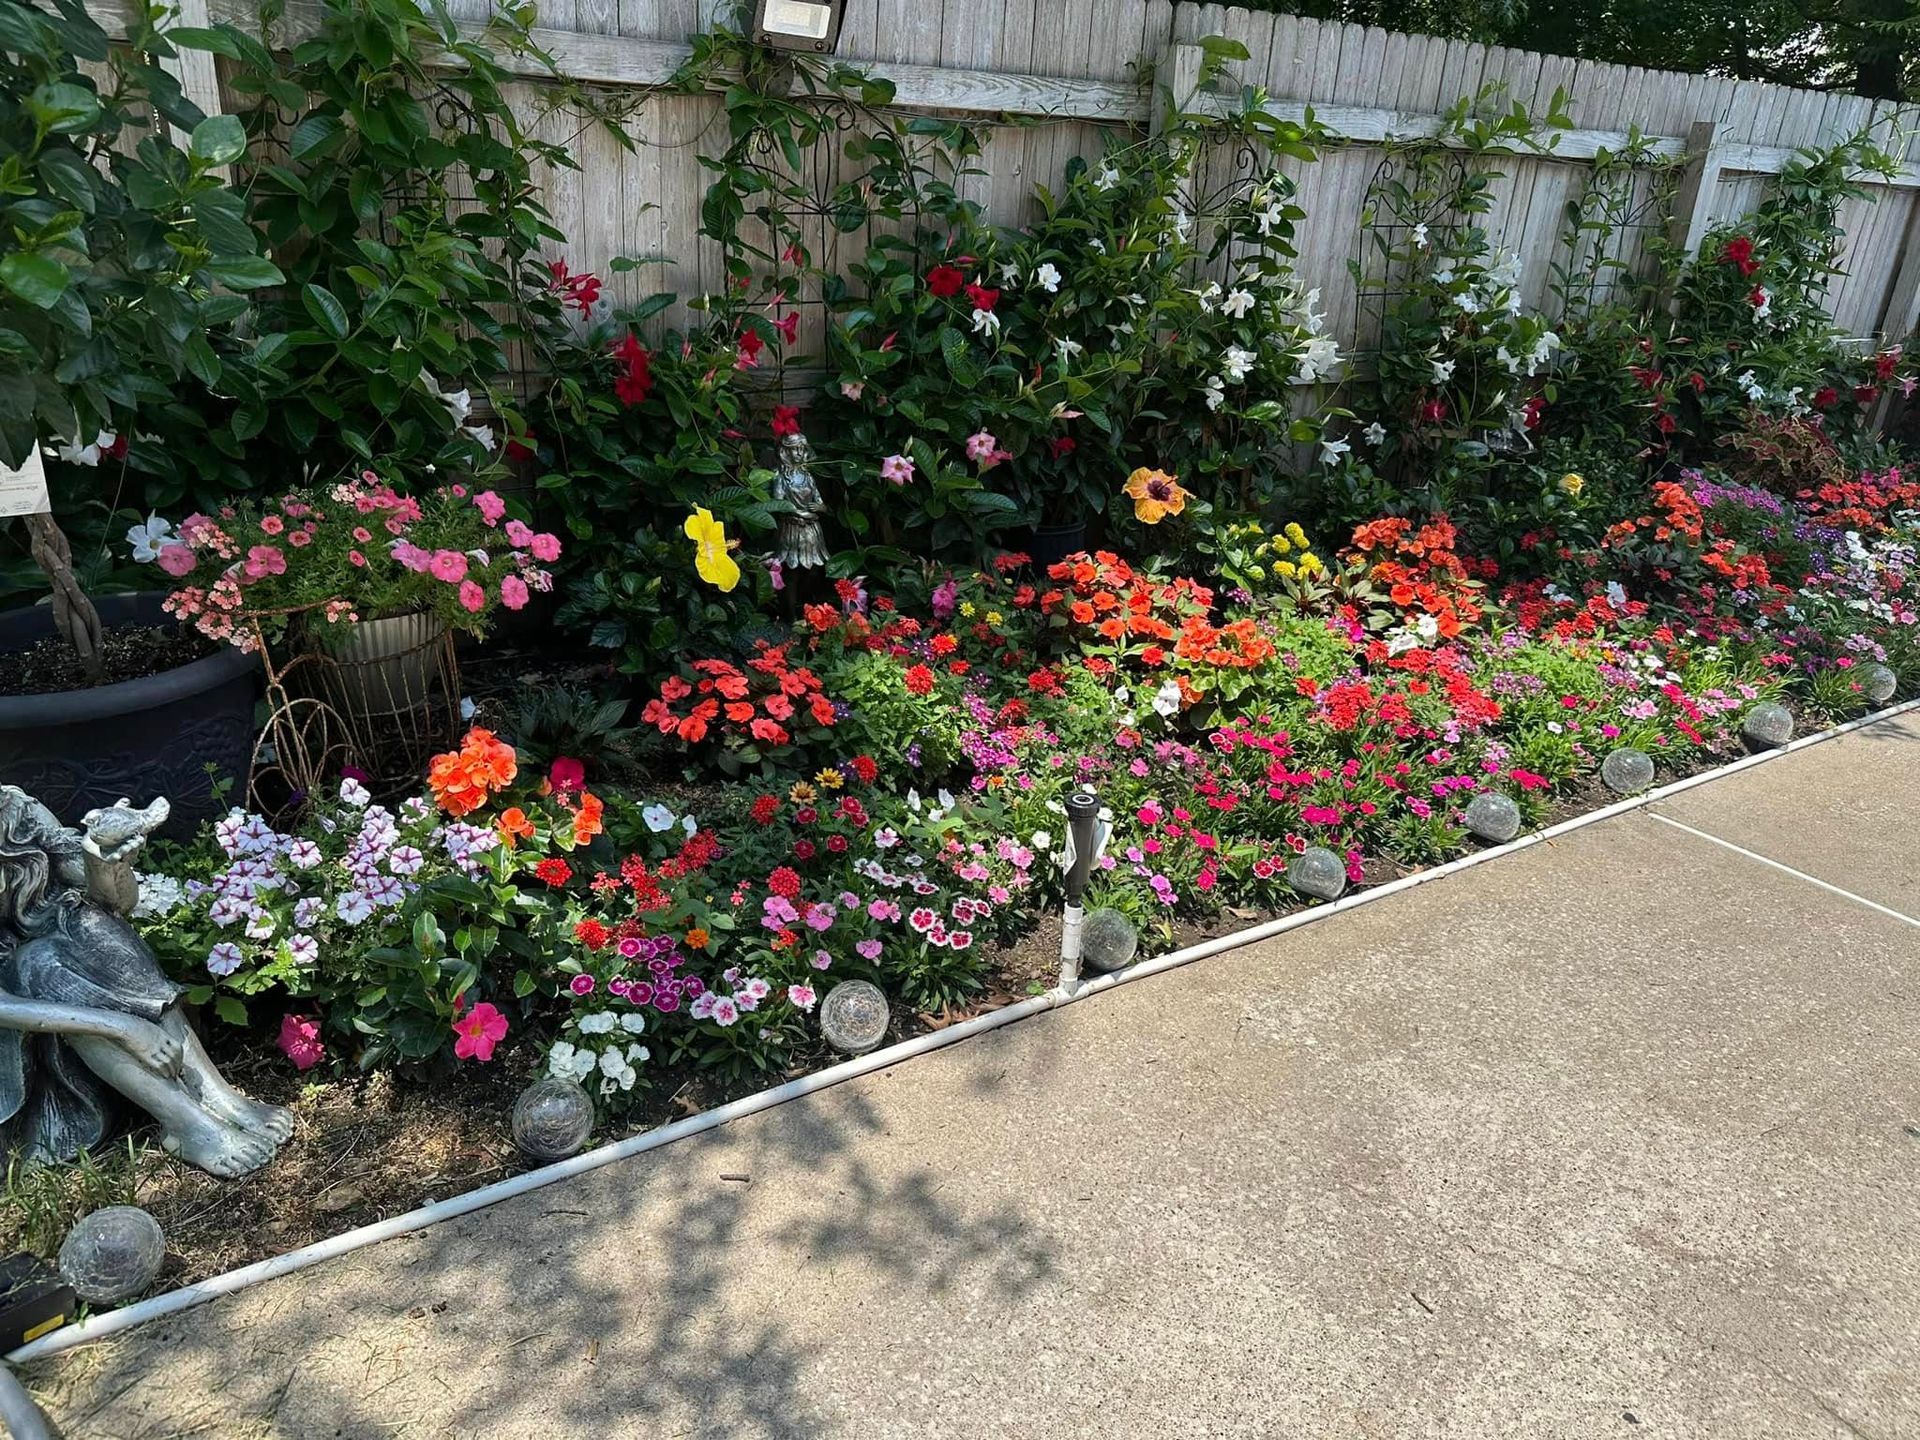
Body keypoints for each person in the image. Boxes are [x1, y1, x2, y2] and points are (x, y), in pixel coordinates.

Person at [0, 787, 292, 1178]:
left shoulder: (14, 809)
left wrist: (103, 859)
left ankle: (219, 1098)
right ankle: (187, 1123)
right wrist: (125, 1028)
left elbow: (114, 905)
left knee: (88, 923)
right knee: (36, 963)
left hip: (58, 976)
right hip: (15, 1029)